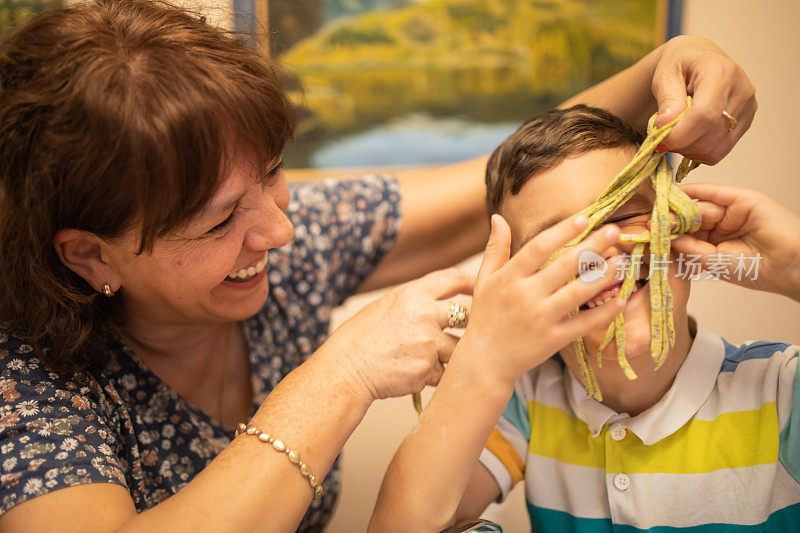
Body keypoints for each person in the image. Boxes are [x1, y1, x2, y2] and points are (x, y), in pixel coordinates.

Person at [0, 0, 758, 531]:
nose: (282, 229)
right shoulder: (23, 377)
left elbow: (495, 182)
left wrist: (666, 66)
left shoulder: (773, 387)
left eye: (271, 171)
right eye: (221, 219)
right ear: (89, 253)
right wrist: (347, 370)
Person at [370, 106, 800, 531]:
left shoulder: (782, 394)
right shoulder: (527, 399)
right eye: (561, 244)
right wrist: (485, 349)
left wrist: (797, 267)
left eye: (625, 216)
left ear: (679, 220)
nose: (600, 255)